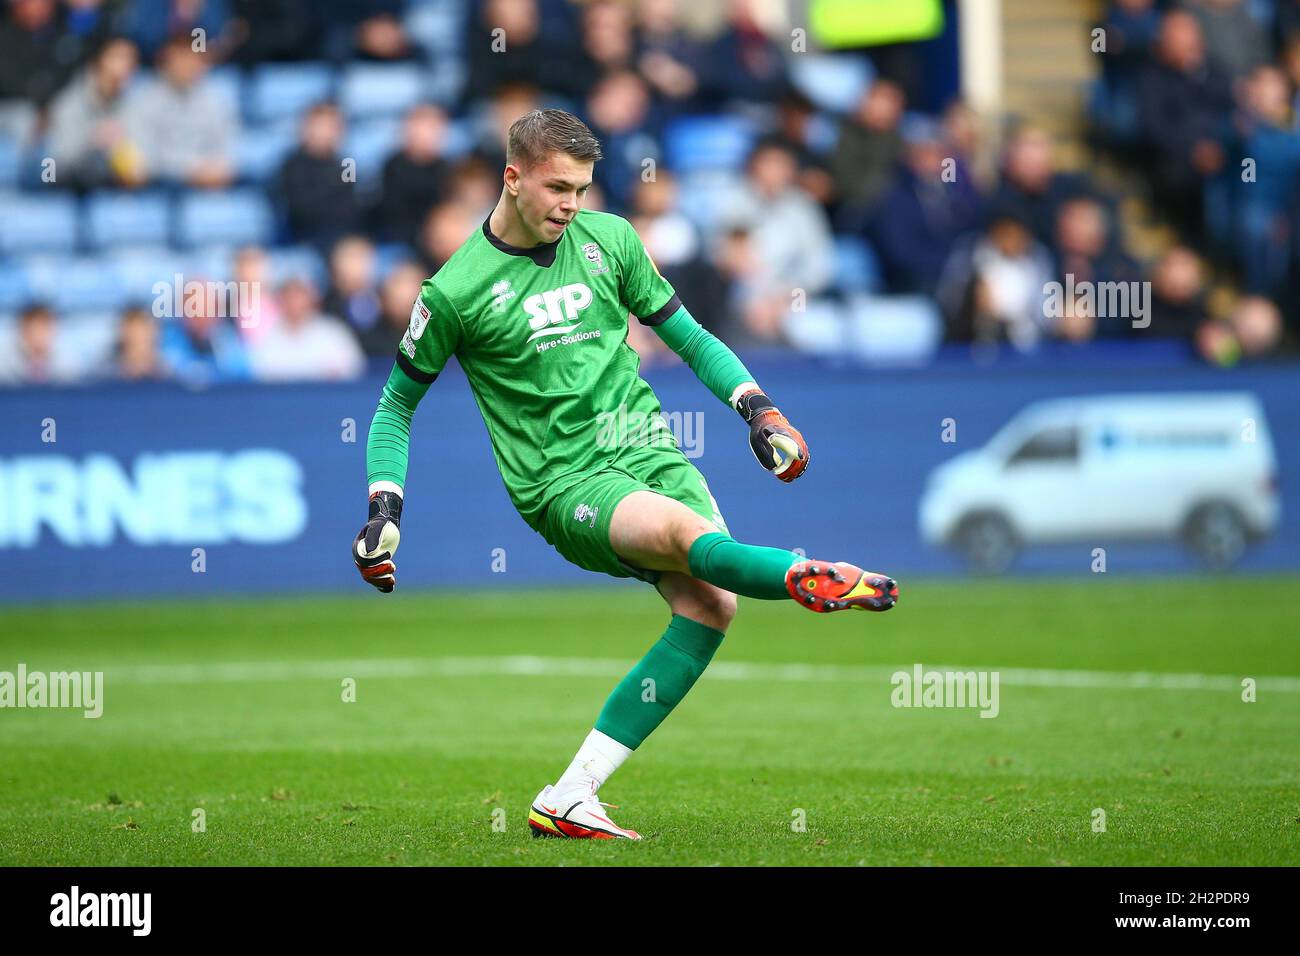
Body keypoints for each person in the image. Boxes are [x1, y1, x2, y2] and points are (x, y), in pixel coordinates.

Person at [350, 109, 898, 842]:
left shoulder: (610, 240)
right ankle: (802, 576)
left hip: (649, 448)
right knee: (682, 534)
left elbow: (690, 336)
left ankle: (569, 796)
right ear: (512, 179)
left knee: (711, 608)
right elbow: (394, 409)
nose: (571, 204)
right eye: (556, 188)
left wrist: (759, 411)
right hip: (563, 482)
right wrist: (385, 510)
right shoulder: (453, 292)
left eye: (581, 188)